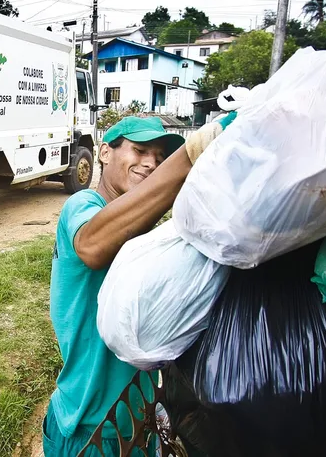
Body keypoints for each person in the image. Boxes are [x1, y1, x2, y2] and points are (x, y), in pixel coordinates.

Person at [43, 116, 222, 456]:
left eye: (159, 158)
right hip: (91, 429)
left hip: (137, 419)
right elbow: (92, 247)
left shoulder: (139, 229)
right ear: (104, 153)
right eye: (139, 150)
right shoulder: (82, 207)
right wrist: (188, 157)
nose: (151, 163)